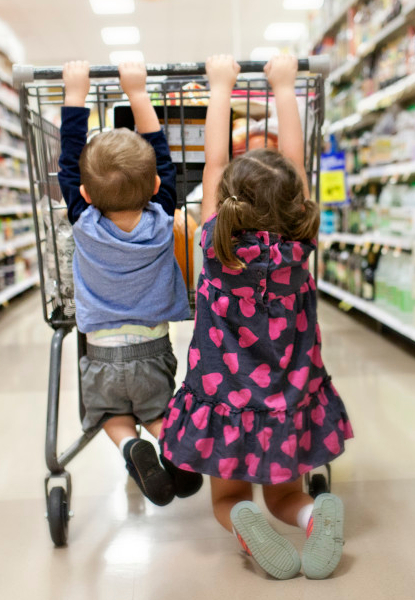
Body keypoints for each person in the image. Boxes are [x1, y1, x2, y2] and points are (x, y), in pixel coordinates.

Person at [159, 55, 354, 579]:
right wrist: (284, 87)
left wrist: (219, 86)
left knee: (230, 498)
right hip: (289, 398)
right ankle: (312, 514)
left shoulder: (217, 243)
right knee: (286, 490)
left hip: (225, 398)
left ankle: (240, 519)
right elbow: (296, 159)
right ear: (297, 203)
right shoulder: (299, 244)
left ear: (223, 200)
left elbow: (214, 161)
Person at [58, 60, 202, 507]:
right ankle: (167, 443)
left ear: (82, 194)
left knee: (109, 415)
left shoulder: (83, 222)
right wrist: (138, 93)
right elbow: (162, 155)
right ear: (158, 185)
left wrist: (76, 93)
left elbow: (67, 160)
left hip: (100, 350)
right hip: (153, 350)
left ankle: (129, 446)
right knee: (157, 411)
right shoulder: (163, 219)